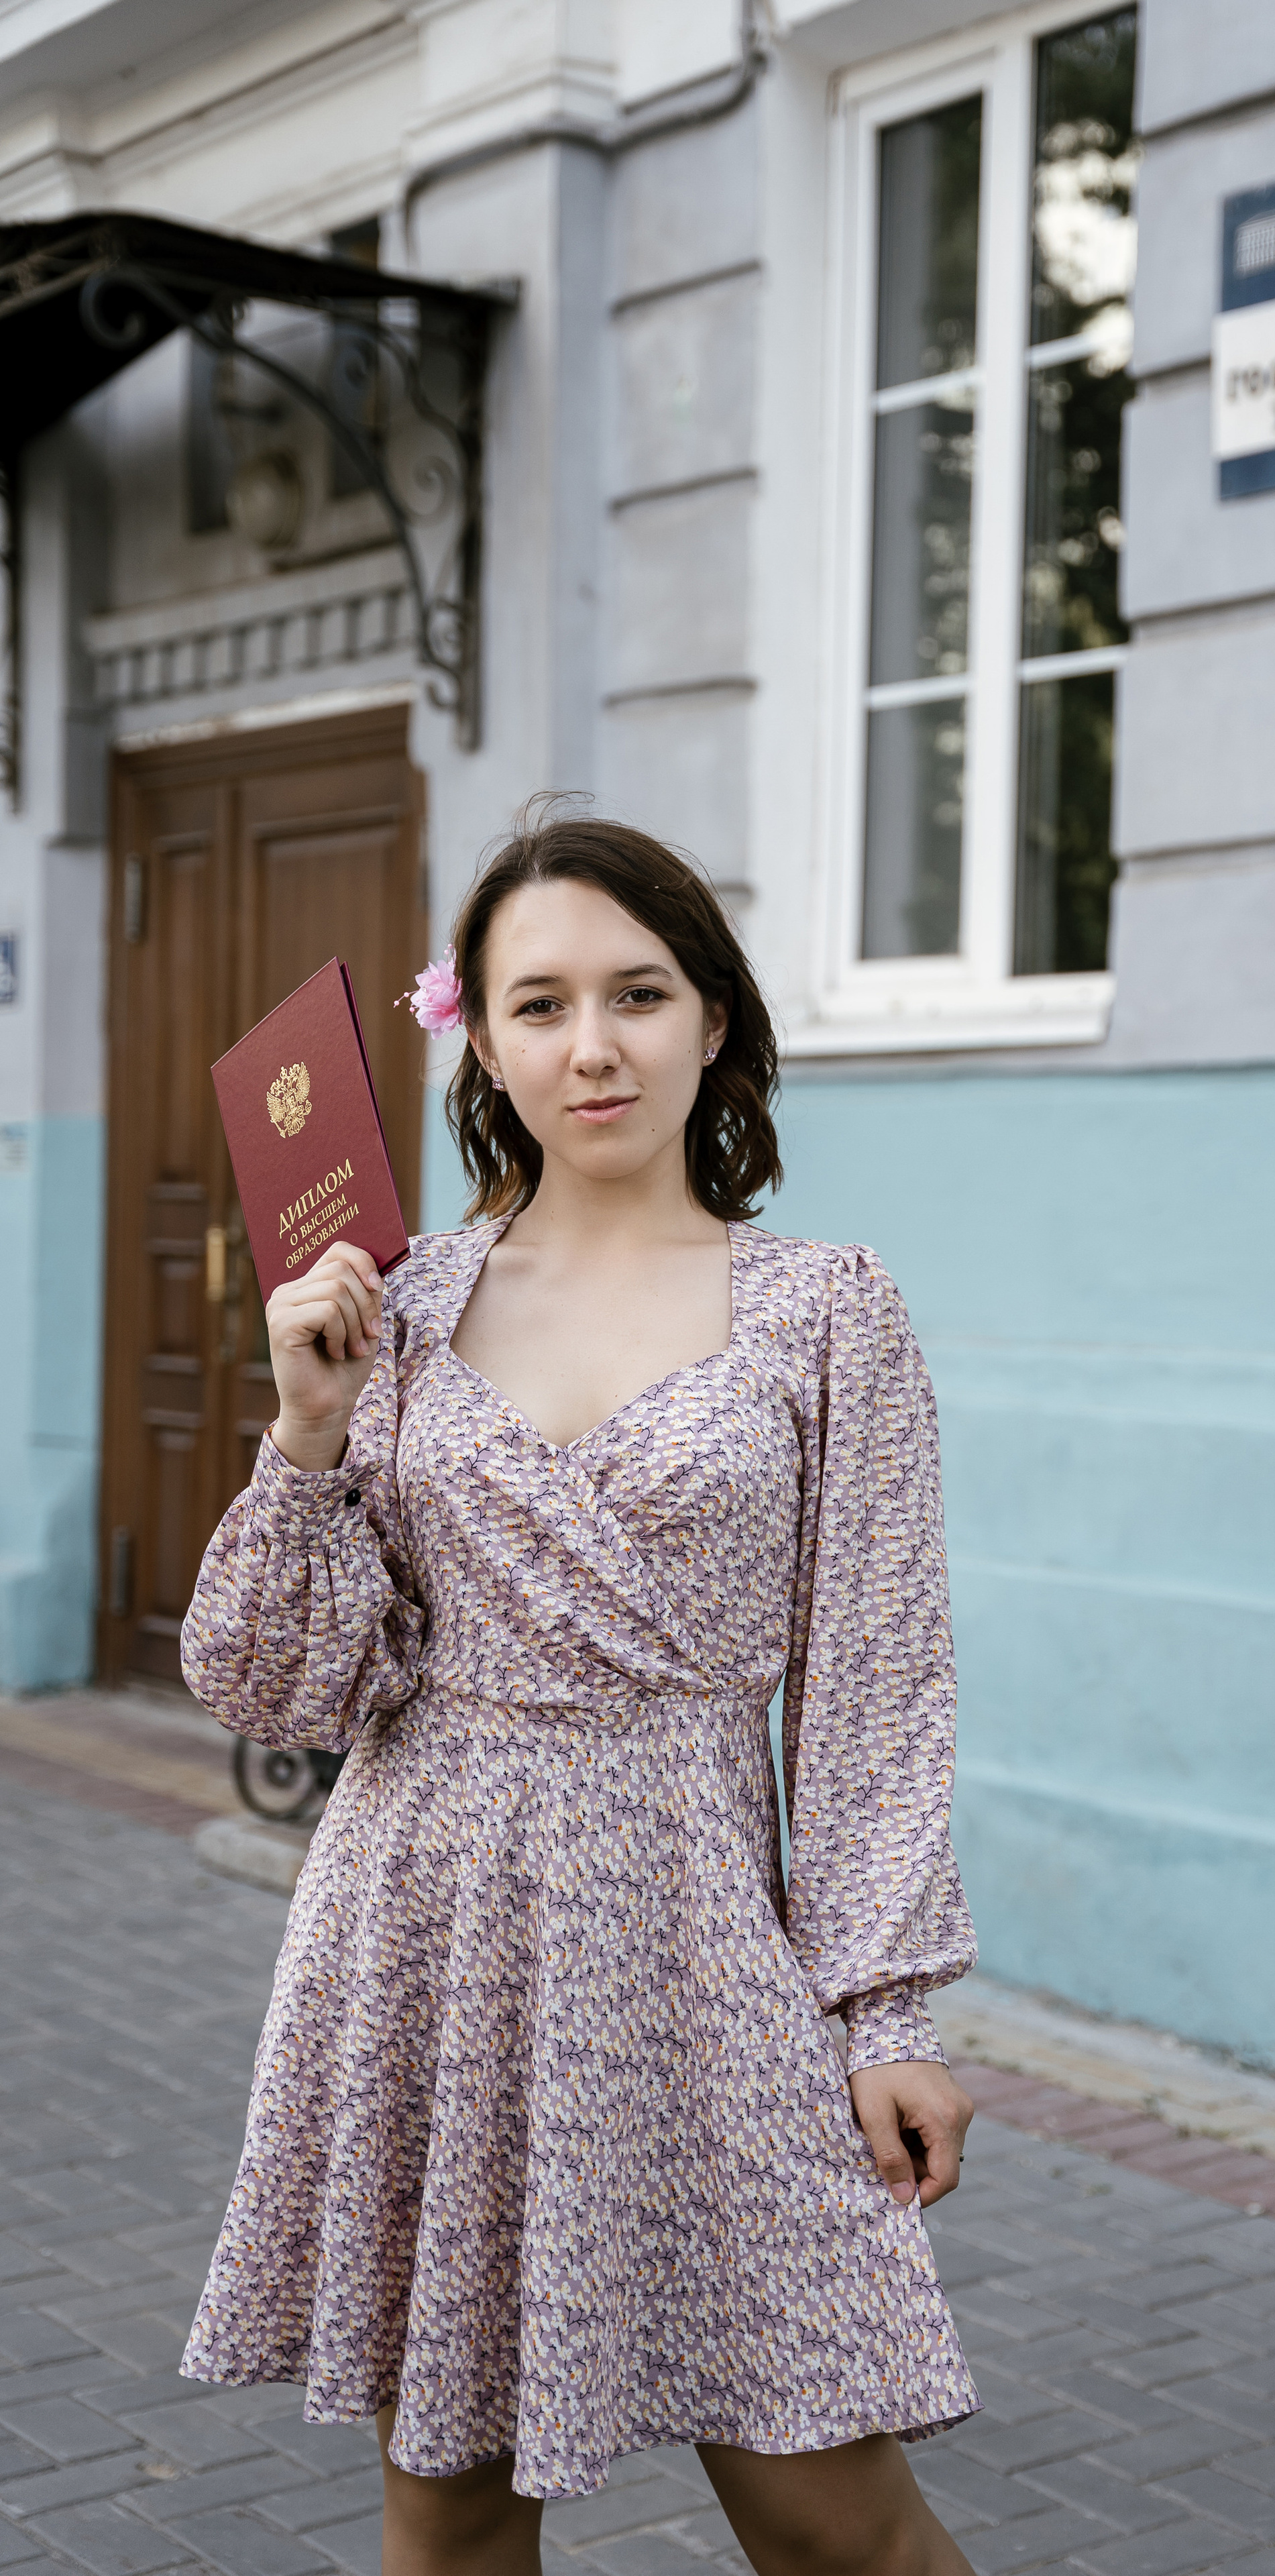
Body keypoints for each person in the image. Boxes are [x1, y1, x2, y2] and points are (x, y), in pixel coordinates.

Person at [178, 808, 982, 2576]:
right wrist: (304, 1441)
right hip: (427, 1937)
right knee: (451, 2513)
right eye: (539, 1004)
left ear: (715, 1021)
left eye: (638, 993)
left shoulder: (829, 1313)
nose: (593, 1046)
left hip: (704, 1948)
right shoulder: (387, 1304)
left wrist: (890, 2006)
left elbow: (877, 1683)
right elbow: (280, 1687)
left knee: (843, 2523)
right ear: (483, 1038)